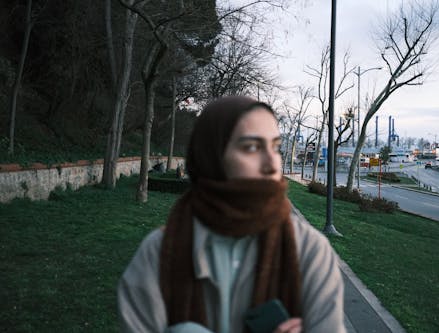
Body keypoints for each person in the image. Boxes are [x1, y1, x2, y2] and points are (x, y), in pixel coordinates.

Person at [117, 96, 346, 333]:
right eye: (252, 147)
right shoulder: (158, 255)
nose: (272, 164)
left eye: (276, 147)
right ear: (211, 155)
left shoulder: (309, 251)